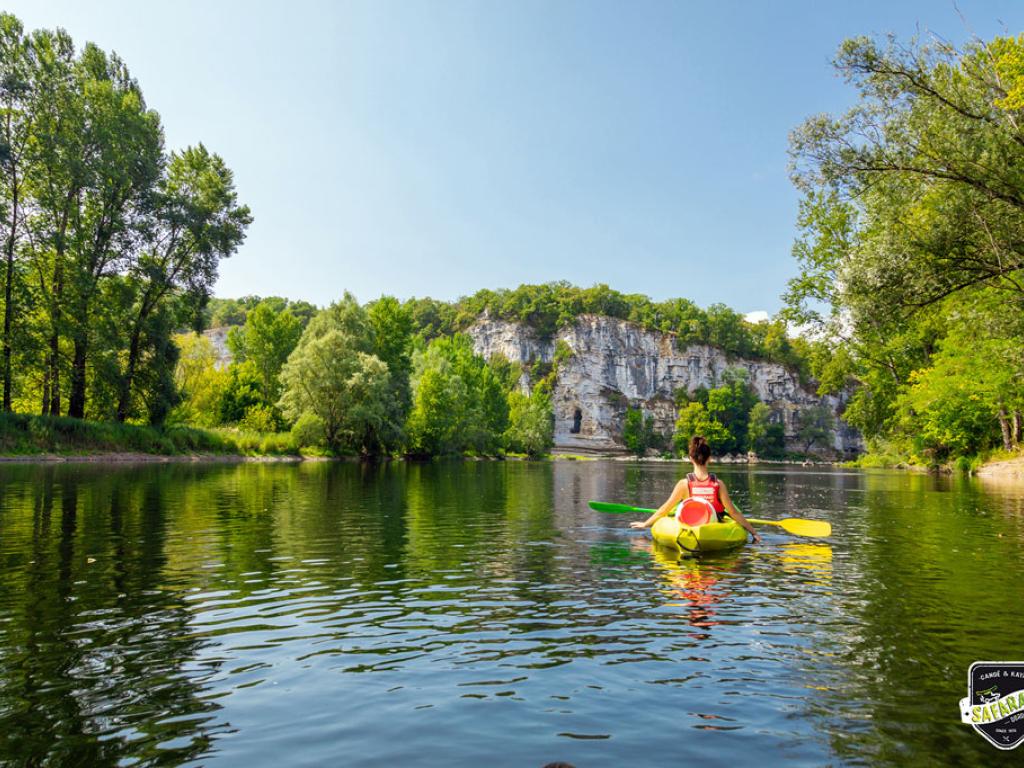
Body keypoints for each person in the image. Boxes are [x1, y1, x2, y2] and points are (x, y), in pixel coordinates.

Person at [630, 435, 761, 543]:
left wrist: (645, 524)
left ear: (690, 459)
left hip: (689, 527)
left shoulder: (684, 484)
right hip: (711, 527)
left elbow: (665, 509)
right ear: (709, 459)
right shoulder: (718, 484)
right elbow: (733, 513)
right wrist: (754, 533)